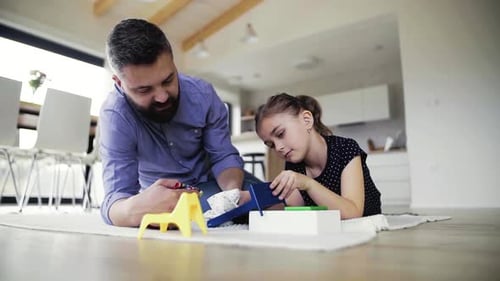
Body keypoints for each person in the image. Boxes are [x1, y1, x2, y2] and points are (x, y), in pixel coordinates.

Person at [99, 18, 259, 227]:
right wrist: (134, 210)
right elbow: (116, 199)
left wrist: (230, 196)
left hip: (217, 184)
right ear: (119, 83)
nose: (162, 97)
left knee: (279, 201)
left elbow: (223, 157)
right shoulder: (115, 116)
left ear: (174, 63)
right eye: (144, 90)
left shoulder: (203, 95)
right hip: (163, 197)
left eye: (168, 80)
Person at [254, 93, 381, 219]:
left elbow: (353, 213)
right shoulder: (293, 164)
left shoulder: (345, 148)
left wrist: (308, 183)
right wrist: (251, 199)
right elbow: (294, 206)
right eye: (271, 145)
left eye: (281, 134)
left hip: (368, 226)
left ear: (307, 120)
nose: (278, 148)